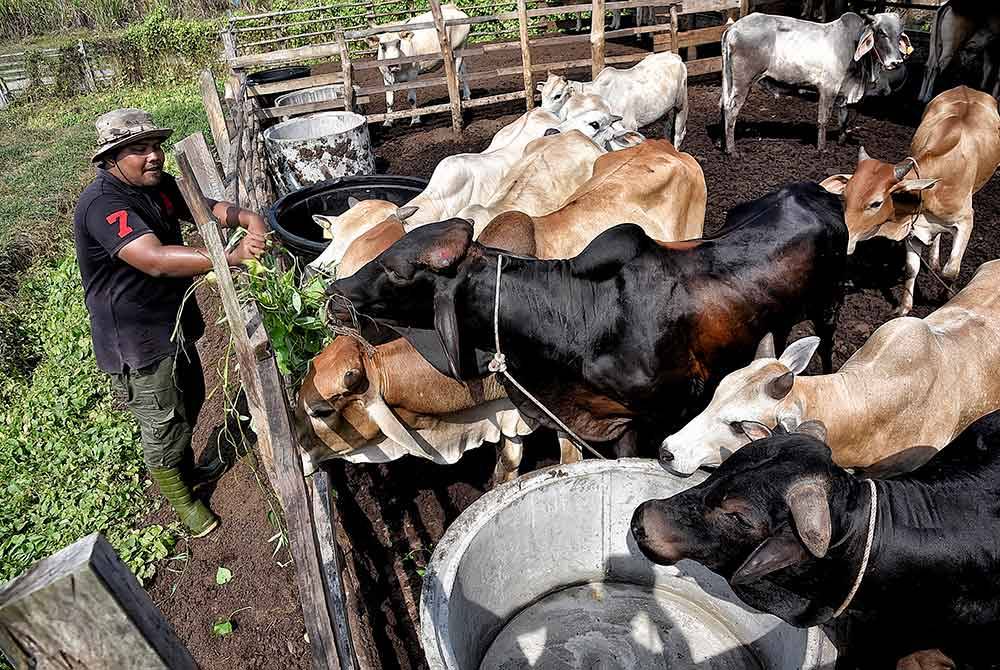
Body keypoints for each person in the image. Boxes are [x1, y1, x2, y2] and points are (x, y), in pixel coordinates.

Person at [73, 108, 268, 538]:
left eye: (155, 146)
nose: (154, 156)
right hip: (135, 336)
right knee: (163, 420)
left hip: (170, 320)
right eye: (138, 150)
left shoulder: (156, 185)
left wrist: (246, 218)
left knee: (190, 397)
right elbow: (154, 260)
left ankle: (187, 469)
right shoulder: (104, 204)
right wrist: (229, 257)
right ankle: (183, 501)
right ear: (111, 159)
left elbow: (205, 207)